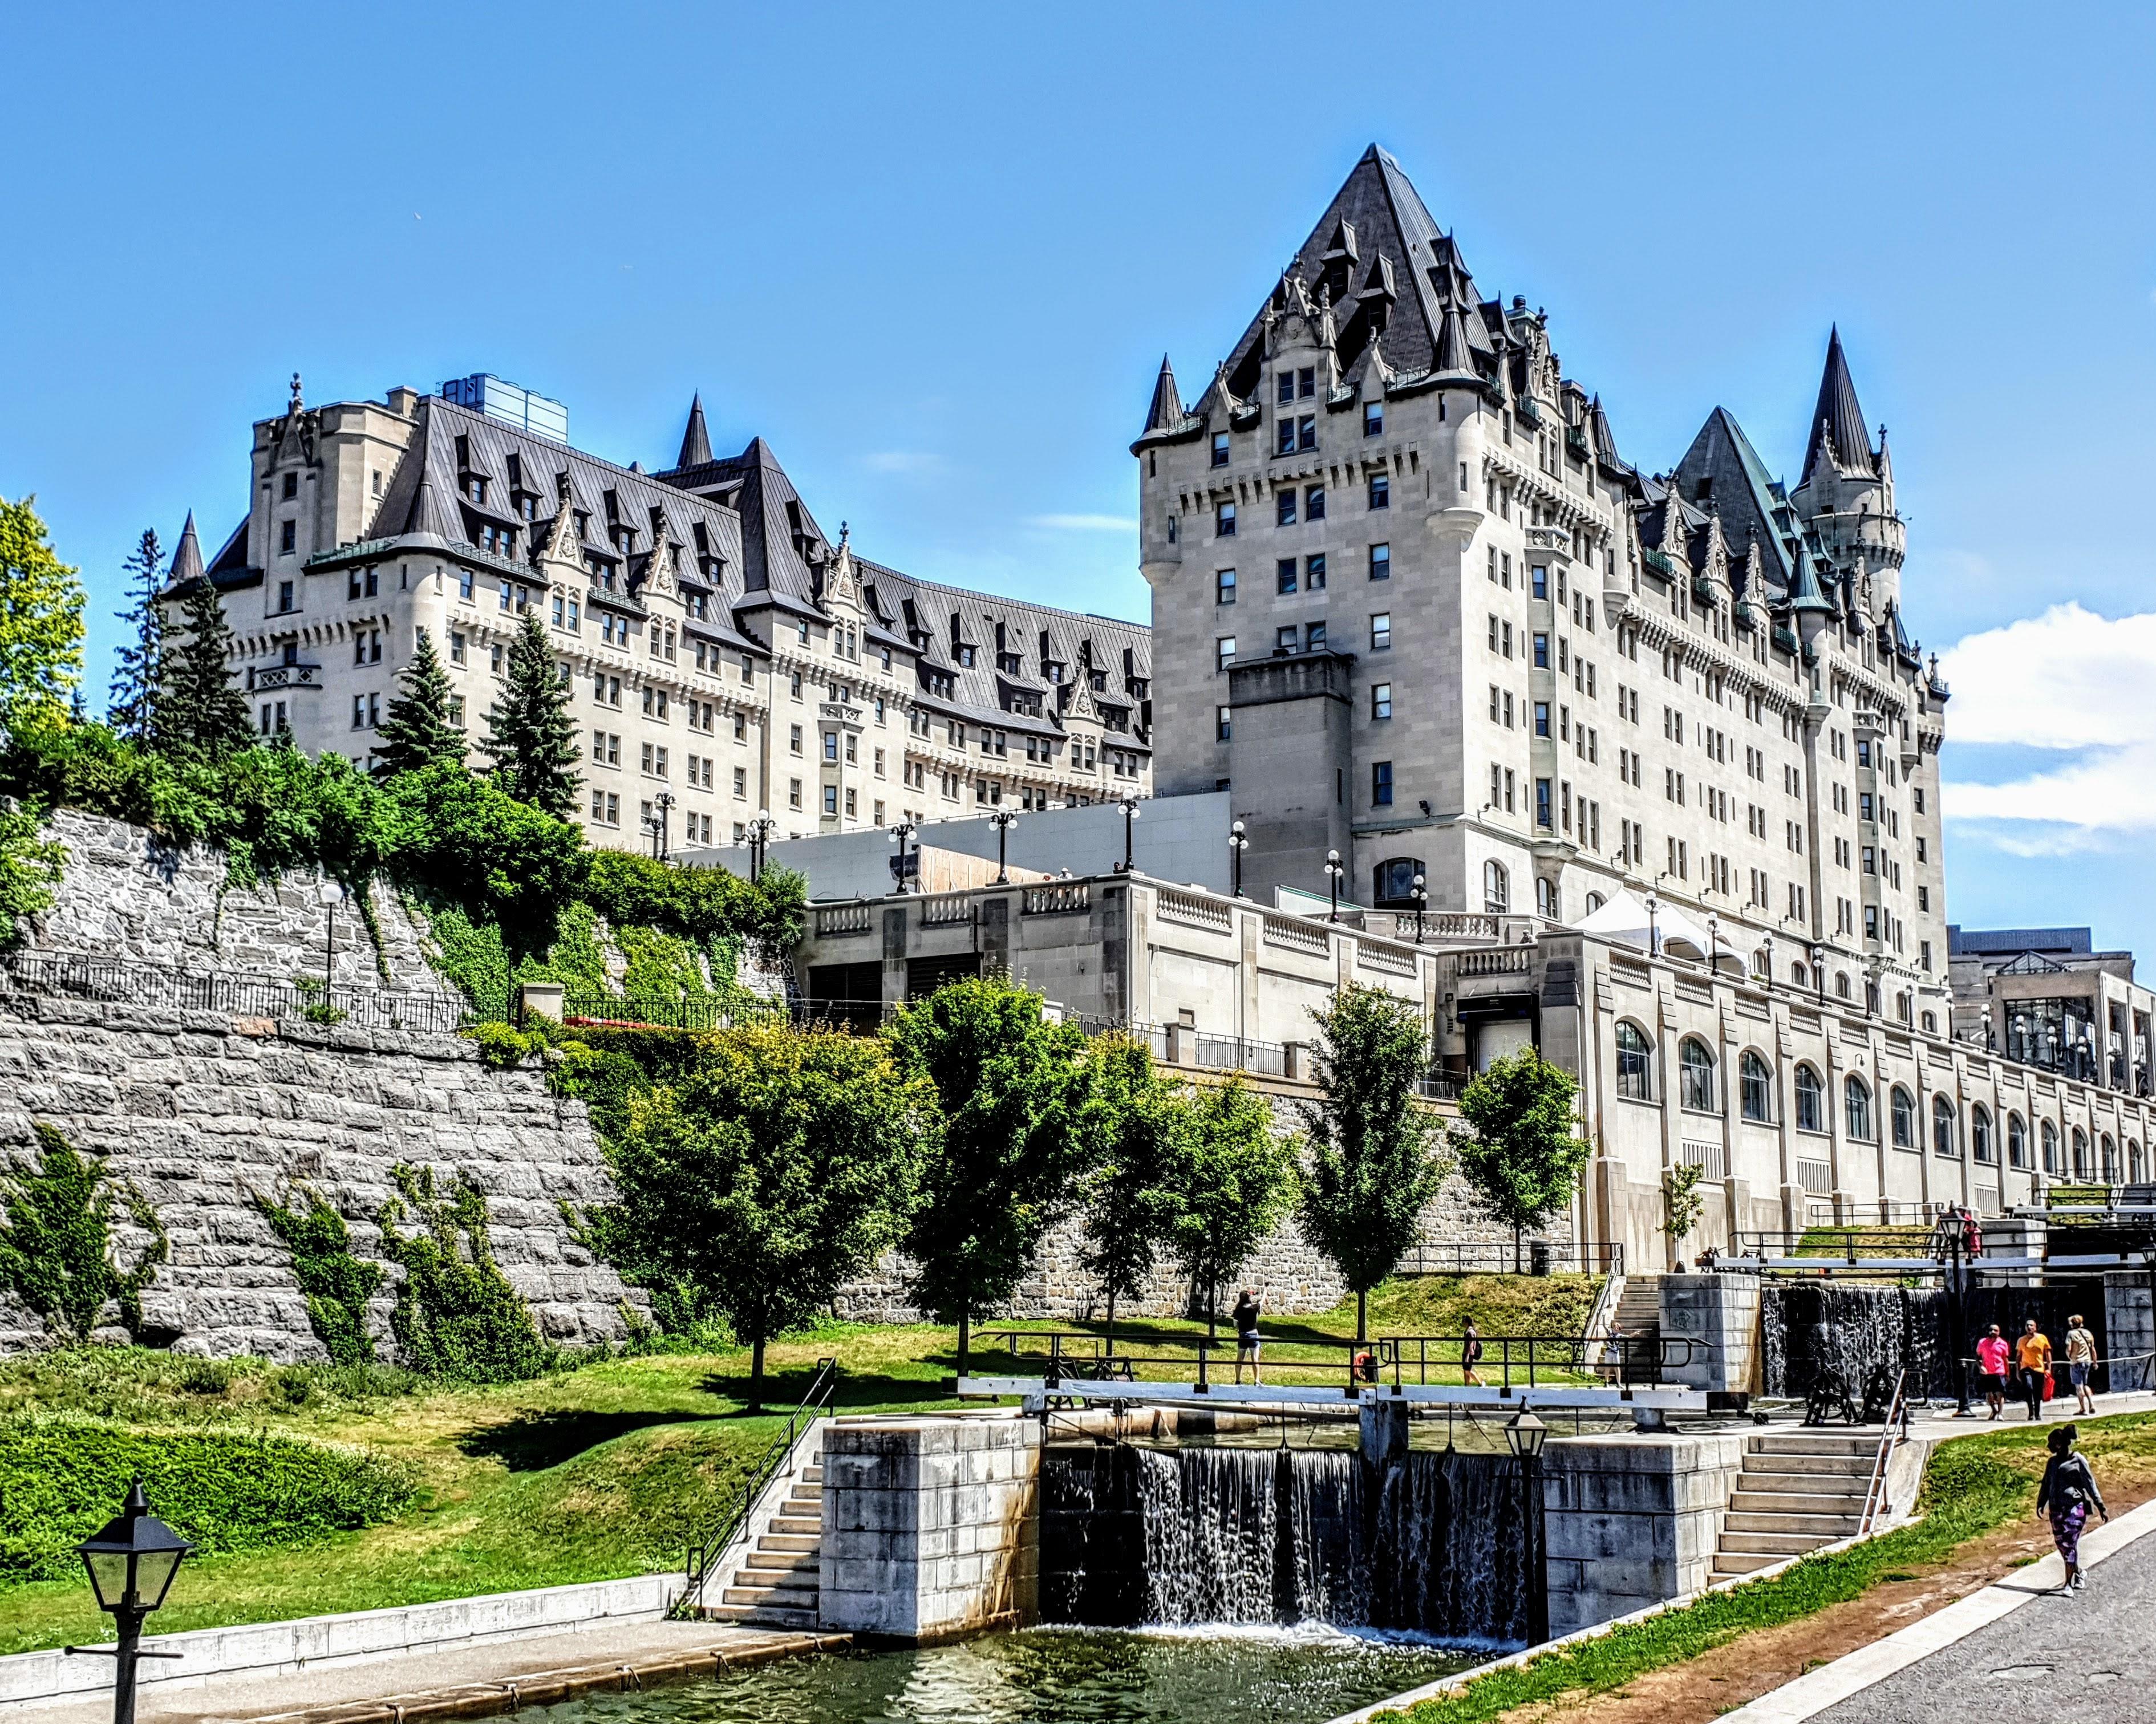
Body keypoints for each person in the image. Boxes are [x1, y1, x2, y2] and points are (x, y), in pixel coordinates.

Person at [2035, 1423, 2109, 1592]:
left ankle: (2067, 1585)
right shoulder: (2052, 1462)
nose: (2049, 1447)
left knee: (2069, 1544)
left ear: (2060, 1444)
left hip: (2074, 1509)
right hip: (2056, 1510)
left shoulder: (2078, 1460)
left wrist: (2101, 1506)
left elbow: (2090, 1484)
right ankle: (2079, 1572)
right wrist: (2041, 1501)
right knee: (2062, 1546)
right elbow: (2046, 1483)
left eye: (2052, 1443)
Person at [2016, 1318, 2053, 1421]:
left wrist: (2049, 1369)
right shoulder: (2021, 1340)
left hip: (2039, 1368)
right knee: (2028, 1388)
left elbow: (2047, 1353)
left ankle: (2037, 1413)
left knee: (2038, 1392)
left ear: (2035, 1327)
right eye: (2027, 1325)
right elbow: (2018, 1357)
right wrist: (2017, 1372)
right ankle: (2030, 1411)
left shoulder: (2042, 1338)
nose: (2029, 1327)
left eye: (2031, 1325)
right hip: (2026, 1368)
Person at [1976, 1323, 2011, 1421]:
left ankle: (2000, 1413)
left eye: (1996, 1330)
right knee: (1989, 1395)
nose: (1993, 1332)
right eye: (1991, 1330)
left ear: (1999, 1332)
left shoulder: (2003, 1344)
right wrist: (1980, 1367)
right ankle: (1994, 1410)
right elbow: (1977, 1357)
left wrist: (2008, 1373)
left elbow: (2005, 1359)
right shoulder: (1982, 1342)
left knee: (2000, 1394)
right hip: (1987, 1372)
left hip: (1999, 1371)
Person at [2065, 1315, 2098, 1416]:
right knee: (2086, 1385)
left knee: (2079, 1387)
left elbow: (2069, 1348)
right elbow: (2093, 1349)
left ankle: (2083, 1409)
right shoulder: (2088, 1333)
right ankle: (2092, 1404)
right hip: (2087, 1361)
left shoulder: (2071, 1334)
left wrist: (2070, 1357)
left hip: (2076, 1362)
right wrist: (2095, 1362)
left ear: (2073, 1324)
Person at [1231, 1288, 1262, 1385]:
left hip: (1243, 1335)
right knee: (1255, 1359)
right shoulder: (1254, 1308)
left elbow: (1235, 1325)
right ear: (1249, 1298)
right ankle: (1257, 1380)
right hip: (1253, 1334)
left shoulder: (1238, 1310)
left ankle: (1238, 1380)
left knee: (1239, 1360)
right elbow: (1262, 1302)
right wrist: (1265, 1290)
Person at [1461, 1317, 1486, 1387]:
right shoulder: (1467, 1331)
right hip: (1466, 1353)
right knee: (1466, 1370)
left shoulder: (1470, 1332)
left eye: (1463, 1321)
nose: (1462, 1323)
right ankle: (1467, 1385)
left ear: (1467, 1322)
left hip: (1469, 1354)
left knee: (1468, 1371)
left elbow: (1471, 1344)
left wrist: (1467, 1356)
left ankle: (1480, 1383)